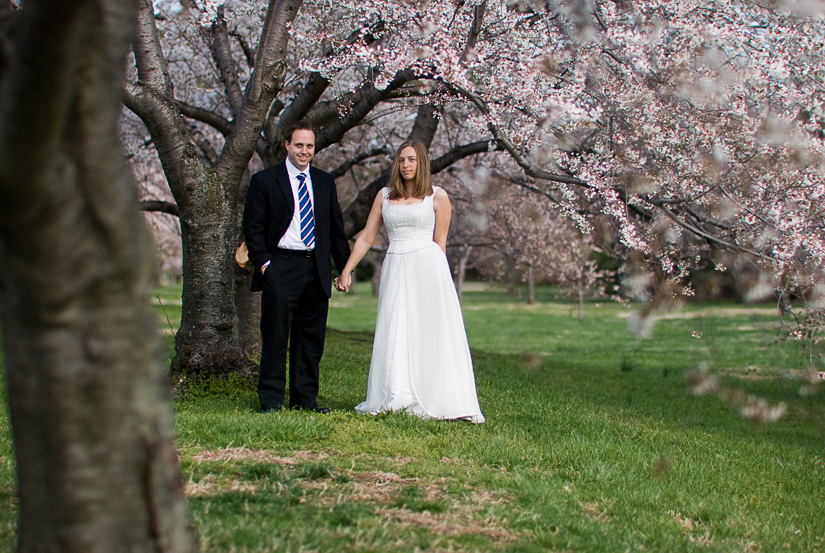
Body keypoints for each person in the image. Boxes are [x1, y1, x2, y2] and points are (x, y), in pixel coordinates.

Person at [335, 140, 485, 423]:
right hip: (395, 265)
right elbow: (367, 236)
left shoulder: (438, 197)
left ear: (421, 163)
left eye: (412, 160)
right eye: (402, 160)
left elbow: (440, 245)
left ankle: (436, 393)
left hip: (427, 269)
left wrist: (440, 287)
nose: (406, 165)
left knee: (427, 330)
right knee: (395, 328)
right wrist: (347, 270)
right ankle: (397, 392)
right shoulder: (384, 196)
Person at [243, 121, 350, 413]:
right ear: (287, 145)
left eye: (310, 146)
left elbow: (335, 230)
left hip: (315, 267)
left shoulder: (325, 181)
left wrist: (345, 267)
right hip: (281, 265)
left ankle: (305, 400)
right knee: (276, 336)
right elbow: (252, 229)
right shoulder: (265, 181)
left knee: (310, 339)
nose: (305, 151)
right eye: (299, 145)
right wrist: (265, 264)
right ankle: (271, 401)